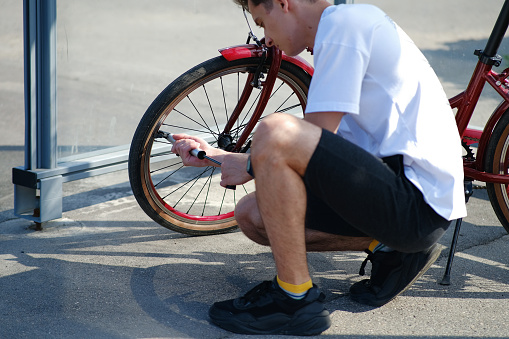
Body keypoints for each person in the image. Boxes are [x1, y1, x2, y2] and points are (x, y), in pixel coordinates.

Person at [171, 0, 467, 335]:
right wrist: (222, 157)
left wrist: (252, 162)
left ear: (284, 4)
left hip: (416, 201)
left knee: (275, 130)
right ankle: (388, 250)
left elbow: (309, 142)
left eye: (262, 22)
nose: (266, 39)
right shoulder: (344, 24)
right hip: (400, 196)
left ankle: (293, 300)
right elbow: (328, 151)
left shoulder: (345, 23)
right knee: (253, 215)